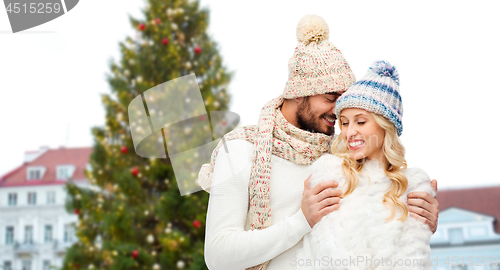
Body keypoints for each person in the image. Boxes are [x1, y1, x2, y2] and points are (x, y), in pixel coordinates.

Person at [200, 15, 439, 270]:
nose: (338, 112)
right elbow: (217, 256)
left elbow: (377, 231)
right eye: (330, 98)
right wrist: (302, 221)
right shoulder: (240, 149)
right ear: (297, 93)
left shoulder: (344, 157)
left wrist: (419, 221)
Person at [297, 60, 434, 270]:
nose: (350, 132)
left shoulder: (413, 186)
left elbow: (415, 259)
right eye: (344, 122)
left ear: (385, 126)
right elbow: (320, 254)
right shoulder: (329, 175)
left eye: (360, 122)